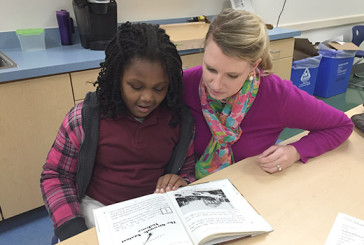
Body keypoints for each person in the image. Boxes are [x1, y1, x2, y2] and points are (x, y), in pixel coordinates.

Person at [40, 22, 196, 241]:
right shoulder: (84, 118)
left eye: (159, 88)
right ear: (117, 79)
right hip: (96, 212)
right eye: (136, 86)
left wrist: (183, 181)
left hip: (153, 213)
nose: (147, 98)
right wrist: (71, 229)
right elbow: (56, 175)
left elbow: (188, 170)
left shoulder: (180, 121)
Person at [182, 8, 354, 179]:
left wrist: (294, 151)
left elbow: (342, 126)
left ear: (254, 65)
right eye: (210, 69)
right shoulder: (185, 83)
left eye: (232, 75)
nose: (216, 84)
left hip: (250, 187)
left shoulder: (278, 96)